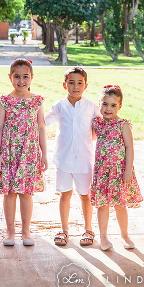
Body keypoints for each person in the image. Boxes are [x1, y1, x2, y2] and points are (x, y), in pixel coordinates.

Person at [0, 58, 48, 248]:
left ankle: (26, 231)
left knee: (26, 193)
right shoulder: (5, 101)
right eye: (17, 77)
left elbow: (41, 127)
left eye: (25, 77)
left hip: (29, 154)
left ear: (32, 78)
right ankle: (10, 231)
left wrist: (44, 153)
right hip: (8, 152)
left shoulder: (37, 101)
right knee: (10, 193)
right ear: (10, 77)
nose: (21, 81)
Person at [45, 65, 99, 249]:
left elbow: (100, 129)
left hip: (84, 159)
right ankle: (64, 229)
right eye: (71, 83)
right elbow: (44, 123)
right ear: (64, 85)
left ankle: (88, 229)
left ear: (86, 85)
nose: (75, 86)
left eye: (79, 83)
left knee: (85, 195)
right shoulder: (59, 107)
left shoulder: (91, 107)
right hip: (64, 159)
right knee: (65, 194)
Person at [91, 84, 143, 251]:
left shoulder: (123, 124)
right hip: (102, 172)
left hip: (119, 172)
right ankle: (103, 236)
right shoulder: (97, 124)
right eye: (105, 104)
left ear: (120, 106)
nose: (108, 108)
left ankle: (124, 235)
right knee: (102, 204)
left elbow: (129, 147)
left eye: (113, 105)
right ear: (99, 104)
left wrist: (128, 170)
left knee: (120, 205)